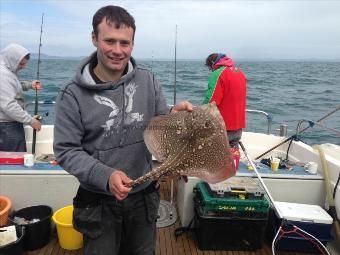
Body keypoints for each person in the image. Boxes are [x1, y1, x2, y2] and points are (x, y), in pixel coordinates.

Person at [53, 5, 192, 255]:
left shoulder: (148, 80)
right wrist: (105, 175)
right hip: (98, 200)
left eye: (125, 43)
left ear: (132, 44)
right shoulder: (71, 94)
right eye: (109, 41)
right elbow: (66, 150)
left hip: (144, 196)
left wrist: (174, 117)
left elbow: (159, 124)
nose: (118, 50)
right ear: (94, 38)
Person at [0, 44, 42, 152]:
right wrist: (31, 121)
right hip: (6, 127)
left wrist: (29, 85)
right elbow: (9, 106)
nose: (23, 67)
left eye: (24, 64)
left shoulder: (8, 70)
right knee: (14, 162)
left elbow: (14, 86)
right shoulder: (3, 75)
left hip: (9, 124)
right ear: (12, 60)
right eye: (21, 64)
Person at [203, 53, 247, 148]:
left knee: (215, 157)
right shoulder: (239, 73)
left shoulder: (218, 74)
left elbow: (211, 101)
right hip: (238, 126)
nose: (211, 71)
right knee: (233, 155)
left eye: (210, 68)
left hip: (223, 127)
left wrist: (199, 114)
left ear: (212, 64)